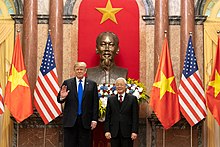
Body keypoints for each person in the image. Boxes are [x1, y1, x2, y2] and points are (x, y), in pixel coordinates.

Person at [57, 62, 99, 147]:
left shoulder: (92, 84)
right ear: (74, 71)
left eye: (81, 69)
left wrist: (94, 119)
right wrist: (62, 97)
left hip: (86, 121)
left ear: (85, 71)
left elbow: (95, 103)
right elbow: (59, 100)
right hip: (70, 121)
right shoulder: (67, 83)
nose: (79, 71)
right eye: (77, 69)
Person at [104, 77, 139, 147]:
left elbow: (135, 117)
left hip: (127, 132)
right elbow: (108, 117)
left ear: (125, 86)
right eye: (117, 85)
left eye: (121, 85)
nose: (119, 86)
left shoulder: (132, 99)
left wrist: (134, 131)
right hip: (114, 133)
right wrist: (107, 130)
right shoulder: (111, 99)